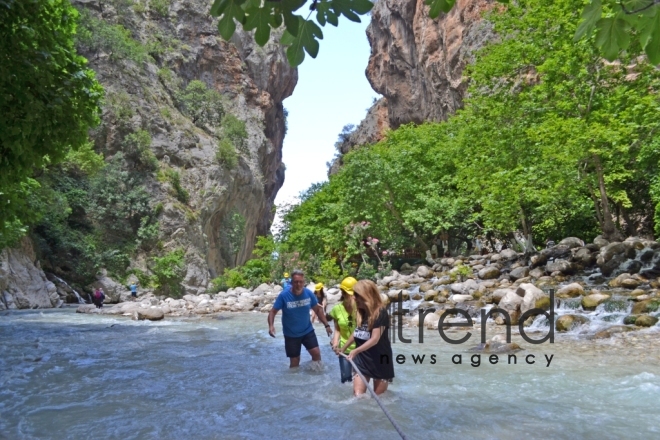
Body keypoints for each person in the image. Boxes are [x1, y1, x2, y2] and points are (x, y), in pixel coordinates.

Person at [336, 279, 394, 396]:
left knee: (378, 400)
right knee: (357, 397)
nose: (354, 298)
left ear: (366, 295)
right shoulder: (362, 312)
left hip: (381, 360)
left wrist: (356, 350)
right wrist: (343, 348)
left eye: (357, 295)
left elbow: (375, 339)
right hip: (362, 359)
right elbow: (357, 332)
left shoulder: (380, 313)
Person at [268, 270, 333, 368]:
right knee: (295, 362)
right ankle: (294, 381)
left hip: (307, 330)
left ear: (304, 282)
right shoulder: (284, 295)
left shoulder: (308, 293)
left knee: (316, 354)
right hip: (291, 334)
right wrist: (271, 326)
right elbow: (272, 312)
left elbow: (318, 310)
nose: (298, 284)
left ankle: (315, 379)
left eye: (301, 282)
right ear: (291, 282)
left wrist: (326, 325)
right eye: (296, 282)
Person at [329, 277, 358, 383]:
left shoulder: (361, 308)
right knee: (346, 381)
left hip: (361, 349)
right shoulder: (337, 309)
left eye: (354, 293)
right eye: (348, 293)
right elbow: (337, 329)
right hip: (344, 350)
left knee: (359, 381)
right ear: (343, 293)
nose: (351, 296)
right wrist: (335, 342)